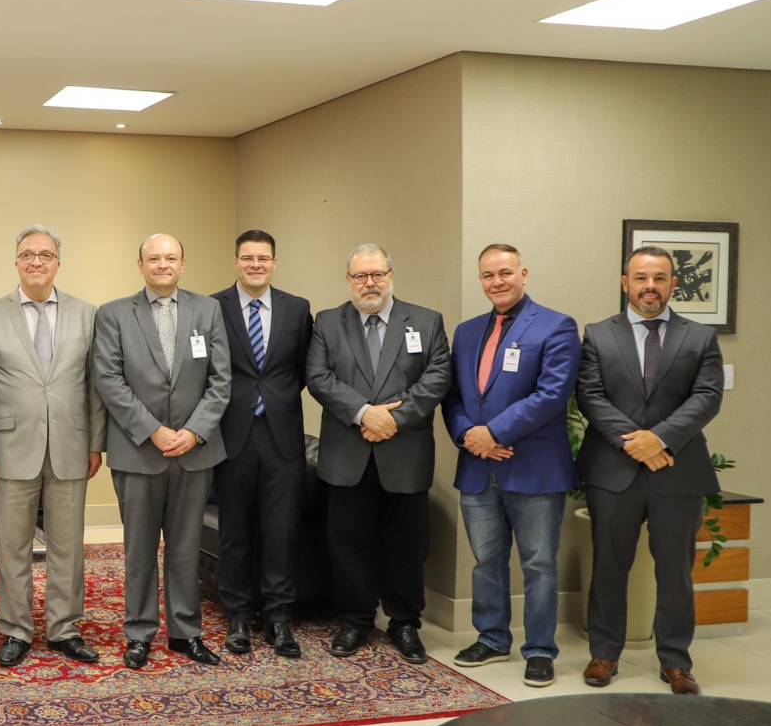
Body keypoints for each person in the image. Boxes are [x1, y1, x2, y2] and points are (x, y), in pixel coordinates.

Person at [577, 246, 724, 695]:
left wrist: (658, 439)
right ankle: (604, 654)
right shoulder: (598, 334)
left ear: (673, 284)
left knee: (675, 572)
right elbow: (590, 396)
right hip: (612, 472)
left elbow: (707, 396)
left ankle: (675, 662)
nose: (650, 287)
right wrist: (638, 443)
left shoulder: (699, 337)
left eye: (660, 278)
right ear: (625, 283)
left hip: (677, 472)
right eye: (641, 278)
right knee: (608, 567)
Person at [306, 244, 450, 664]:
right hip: (347, 455)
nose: (369, 283)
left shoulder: (425, 321)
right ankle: (355, 621)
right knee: (348, 543)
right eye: (359, 277)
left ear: (391, 274)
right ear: (348, 280)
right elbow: (317, 377)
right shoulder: (328, 322)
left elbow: (438, 375)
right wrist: (364, 413)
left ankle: (405, 623)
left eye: (377, 274)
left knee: (407, 544)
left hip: (404, 453)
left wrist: (395, 418)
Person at [442, 244, 578, 687]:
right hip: (479, 466)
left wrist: (493, 433)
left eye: (504, 273)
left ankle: (539, 650)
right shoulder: (466, 332)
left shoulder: (556, 326)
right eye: (487, 276)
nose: (496, 282)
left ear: (523, 273)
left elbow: (551, 395)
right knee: (486, 560)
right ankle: (492, 637)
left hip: (533, 466)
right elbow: (454, 397)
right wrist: (468, 435)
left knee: (538, 563)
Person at [93, 233, 230, 668]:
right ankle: (139, 633)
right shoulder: (114, 313)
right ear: (141, 265)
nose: (163, 264)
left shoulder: (208, 310)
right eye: (154, 258)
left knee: (186, 548)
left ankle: (186, 633)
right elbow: (109, 380)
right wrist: (152, 430)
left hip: (194, 451)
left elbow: (221, 380)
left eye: (171, 258)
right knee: (139, 549)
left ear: (183, 264)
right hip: (138, 452)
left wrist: (194, 431)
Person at [0, 225, 106, 667]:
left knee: (67, 545)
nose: (36, 261)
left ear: (57, 263)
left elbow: (95, 387)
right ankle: (15, 630)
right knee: (11, 545)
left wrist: (97, 443)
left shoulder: (87, 314)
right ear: (16, 262)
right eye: (28, 254)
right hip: (11, 448)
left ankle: (63, 628)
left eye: (45, 254)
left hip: (72, 444)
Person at [211, 230, 313, 658]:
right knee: (234, 532)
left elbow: (306, 368)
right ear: (235, 261)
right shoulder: (213, 307)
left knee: (281, 531)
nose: (256, 264)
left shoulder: (297, 308)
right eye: (248, 257)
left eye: (264, 258)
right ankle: (236, 615)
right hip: (231, 434)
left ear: (274, 263)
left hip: (282, 436)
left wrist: (276, 402)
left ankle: (278, 619)